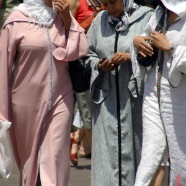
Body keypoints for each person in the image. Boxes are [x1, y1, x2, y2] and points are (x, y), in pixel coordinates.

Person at [0, 0, 89, 185]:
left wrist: (67, 19)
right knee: (30, 164)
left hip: (61, 98)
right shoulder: (16, 20)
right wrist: (2, 114)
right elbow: (3, 69)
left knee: (54, 160)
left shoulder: (63, 17)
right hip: (25, 104)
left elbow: (80, 49)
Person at [86, 0, 153, 185]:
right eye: (104, 4)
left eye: (113, 2)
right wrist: (99, 65)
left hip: (134, 103)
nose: (109, 8)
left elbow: (155, 54)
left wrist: (131, 56)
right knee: (106, 164)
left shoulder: (146, 17)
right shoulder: (99, 20)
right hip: (105, 106)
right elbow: (87, 55)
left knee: (138, 159)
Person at [131, 0, 186, 185]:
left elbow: (167, 47)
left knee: (181, 160)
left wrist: (170, 48)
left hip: (180, 100)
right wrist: (138, 41)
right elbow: (146, 36)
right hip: (153, 93)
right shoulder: (160, 12)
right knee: (150, 154)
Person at [68, 0, 102, 166]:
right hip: (82, 64)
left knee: (95, 110)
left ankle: (75, 139)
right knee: (88, 112)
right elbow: (68, 31)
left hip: (100, 63)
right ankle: (98, 161)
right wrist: (94, 18)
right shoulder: (77, 2)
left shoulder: (106, 4)